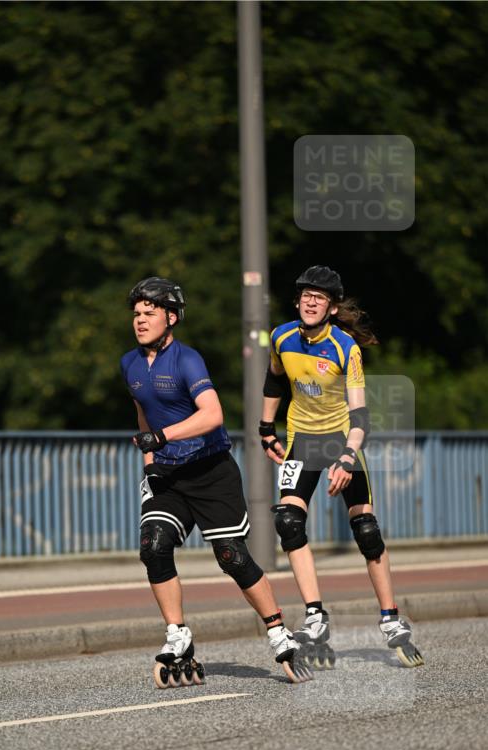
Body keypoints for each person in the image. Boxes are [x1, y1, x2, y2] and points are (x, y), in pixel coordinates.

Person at [120, 276, 311, 687]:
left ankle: (278, 630)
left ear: (170, 318)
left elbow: (213, 415)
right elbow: (143, 414)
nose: (139, 320)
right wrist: (151, 460)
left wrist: (163, 437)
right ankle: (177, 635)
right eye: (136, 314)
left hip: (210, 472)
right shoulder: (130, 363)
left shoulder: (188, 360)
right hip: (168, 475)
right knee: (153, 546)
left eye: (149, 313)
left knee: (231, 557)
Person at [259, 265, 423, 667]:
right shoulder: (280, 337)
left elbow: (360, 414)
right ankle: (315, 616)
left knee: (366, 530)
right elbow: (275, 380)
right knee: (288, 522)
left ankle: (391, 620)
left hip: (340, 439)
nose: (311, 301)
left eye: (321, 297)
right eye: (305, 294)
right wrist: (266, 428)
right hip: (301, 440)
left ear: (331, 308)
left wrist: (348, 457)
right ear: (297, 301)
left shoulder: (345, 347)